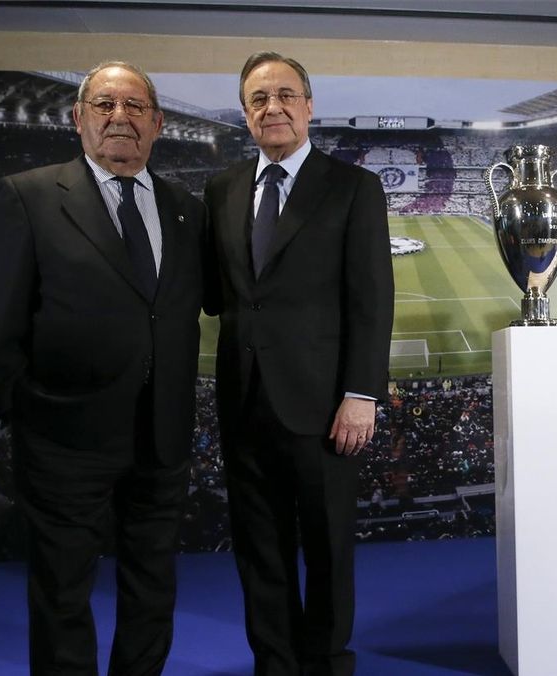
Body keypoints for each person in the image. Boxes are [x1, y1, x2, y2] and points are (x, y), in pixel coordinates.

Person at [0, 61, 205, 675]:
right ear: (79, 119)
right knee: (62, 595)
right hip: (63, 441)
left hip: (161, 437)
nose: (119, 117)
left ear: (157, 124)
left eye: (134, 107)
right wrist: (25, 408)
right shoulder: (29, 195)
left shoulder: (184, 206)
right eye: (104, 105)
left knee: (153, 591)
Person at [202, 52, 394, 676]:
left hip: (324, 408)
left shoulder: (353, 187)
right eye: (259, 98)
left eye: (286, 95)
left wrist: (361, 391)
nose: (273, 107)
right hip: (244, 401)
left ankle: (329, 661)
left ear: (309, 107)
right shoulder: (221, 189)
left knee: (328, 548)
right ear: (245, 113)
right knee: (260, 550)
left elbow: (371, 298)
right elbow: (215, 292)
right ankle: (275, 664)